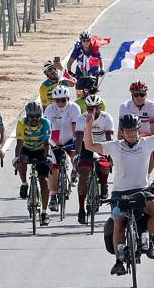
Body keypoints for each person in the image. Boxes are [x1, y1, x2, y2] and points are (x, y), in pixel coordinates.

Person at [83, 107, 154, 276]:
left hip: (142, 191)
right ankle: (118, 261)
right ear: (122, 132)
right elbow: (89, 145)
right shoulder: (114, 146)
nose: (131, 134)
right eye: (127, 131)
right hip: (120, 194)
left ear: (138, 131)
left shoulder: (146, 143)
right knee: (118, 222)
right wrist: (89, 126)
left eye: (134, 130)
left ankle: (148, 238)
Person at [74, 94, 113, 224]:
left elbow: (109, 138)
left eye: (95, 108)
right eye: (90, 108)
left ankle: (104, 184)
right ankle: (81, 209)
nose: (92, 111)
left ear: (99, 107)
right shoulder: (81, 118)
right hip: (86, 147)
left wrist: (109, 155)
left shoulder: (107, 118)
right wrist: (78, 154)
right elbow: (79, 138)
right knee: (83, 176)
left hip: (102, 146)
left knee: (104, 166)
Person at [43, 85, 81, 213]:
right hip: (54, 141)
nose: (60, 103)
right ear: (53, 100)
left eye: (63, 100)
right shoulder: (49, 109)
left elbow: (76, 128)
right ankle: (53, 196)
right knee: (54, 168)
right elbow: (47, 128)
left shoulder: (74, 108)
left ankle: (75, 171)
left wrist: (76, 143)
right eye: (57, 100)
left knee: (76, 158)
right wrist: (50, 144)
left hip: (70, 139)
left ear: (68, 99)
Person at [14, 101, 52, 226]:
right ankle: (24, 183)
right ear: (27, 115)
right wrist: (16, 158)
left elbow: (47, 143)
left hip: (41, 150)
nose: (35, 119)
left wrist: (47, 157)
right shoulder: (21, 123)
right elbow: (19, 143)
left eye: (37, 116)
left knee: (44, 181)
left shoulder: (45, 122)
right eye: (32, 116)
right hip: (26, 149)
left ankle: (45, 213)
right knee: (22, 160)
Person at [118, 81, 154, 172]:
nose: (139, 97)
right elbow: (121, 128)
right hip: (130, 136)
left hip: (146, 135)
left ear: (146, 95)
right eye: (136, 95)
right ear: (132, 95)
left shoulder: (152, 106)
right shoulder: (124, 107)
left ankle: (147, 175)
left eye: (142, 94)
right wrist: (120, 143)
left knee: (153, 151)